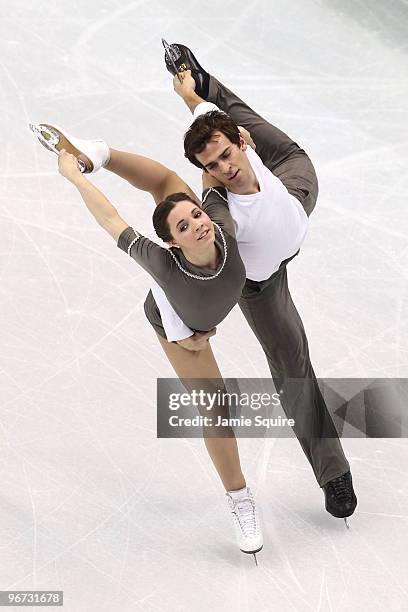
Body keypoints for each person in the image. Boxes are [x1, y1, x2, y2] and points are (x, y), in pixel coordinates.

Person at [29, 122, 264, 560]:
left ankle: (99, 149)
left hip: (202, 301)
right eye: (184, 225)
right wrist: (75, 177)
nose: (197, 224)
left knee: (166, 185)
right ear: (170, 242)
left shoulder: (218, 223)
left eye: (196, 216)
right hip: (173, 315)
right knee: (215, 407)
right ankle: (240, 499)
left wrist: (238, 135)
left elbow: (211, 169)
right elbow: (110, 219)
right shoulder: (161, 260)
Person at [156, 43, 357, 525]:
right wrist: (190, 321)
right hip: (258, 282)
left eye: (227, 155)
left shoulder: (246, 144)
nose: (225, 168)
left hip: (293, 191)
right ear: (204, 173)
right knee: (292, 368)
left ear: (240, 143)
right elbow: (197, 266)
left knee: (265, 135)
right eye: (213, 166)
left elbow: (221, 124)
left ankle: (202, 79)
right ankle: (333, 471)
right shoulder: (217, 212)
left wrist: (193, 96)